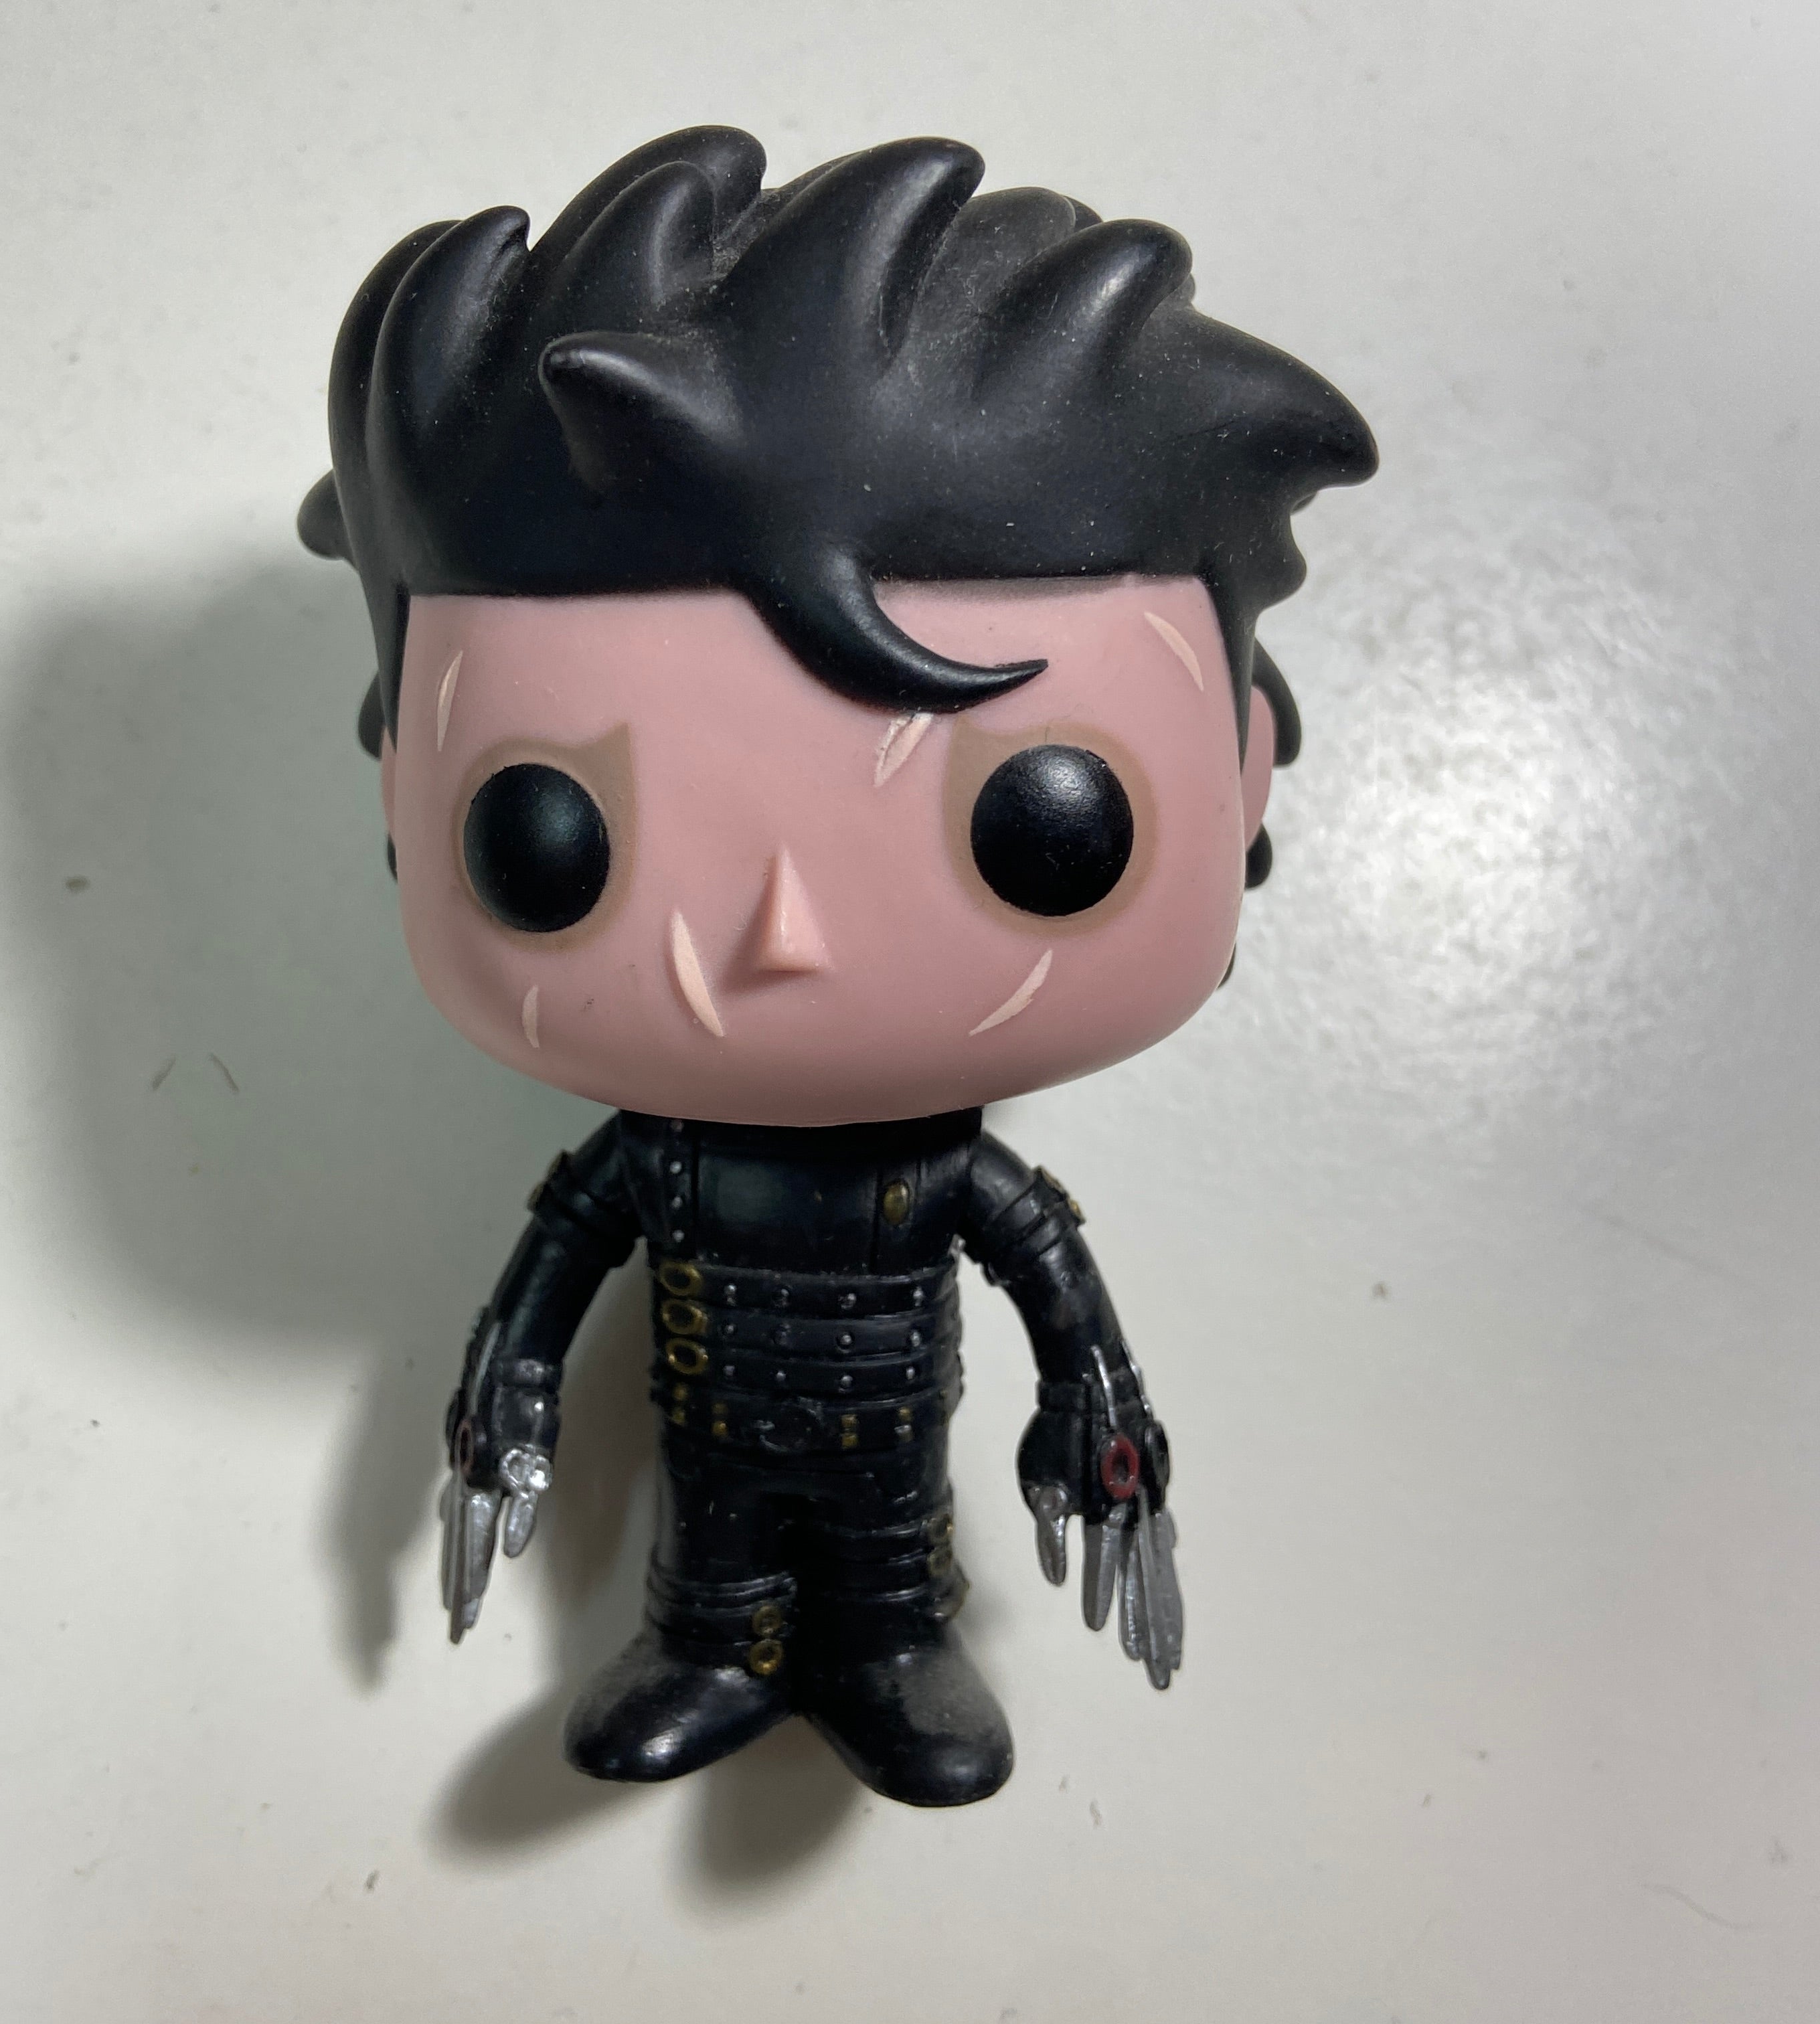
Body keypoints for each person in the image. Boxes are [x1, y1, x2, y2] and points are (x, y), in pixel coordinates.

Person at [299, 126, 1375, 1806]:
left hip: (894, 1423)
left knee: (886, 1545)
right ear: (402, 791)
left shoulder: (931, 1176)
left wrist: (1094, 1402)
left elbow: (1048, 1276)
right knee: (714, 1533)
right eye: (545, 832)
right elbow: (557, 1263)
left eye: (1045, 822)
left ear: (1241, 772)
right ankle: (711, 1644)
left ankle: (887, 1649)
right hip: (712, 1412)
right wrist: (509, 1380)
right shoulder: (660, 1162)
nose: (781, 939)